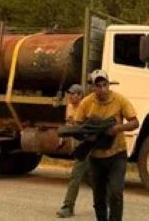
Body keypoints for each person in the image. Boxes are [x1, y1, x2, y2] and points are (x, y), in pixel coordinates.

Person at [72, 70, 138, 221]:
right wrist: (89, 133)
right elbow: (77, 125)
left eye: (104, 85)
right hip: (96, 156)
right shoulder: (87, 103)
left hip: (117, 154)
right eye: (98, 86)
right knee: (99, 196)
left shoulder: (120, 100)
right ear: (93, 87)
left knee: (115, 193)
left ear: (108, 84)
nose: (102, 89)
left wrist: (117, 128)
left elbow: (135, 122)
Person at [56, 84, 90, 218]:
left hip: (88, 145)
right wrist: (62, 138)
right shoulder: (69, 106)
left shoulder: (87, 107)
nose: (70, 96)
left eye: (73, 94)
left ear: (80, 96)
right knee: (86, 177)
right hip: (79, 146)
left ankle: (68, 207)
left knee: (76, 176)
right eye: (69, 93)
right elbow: (68, 124)